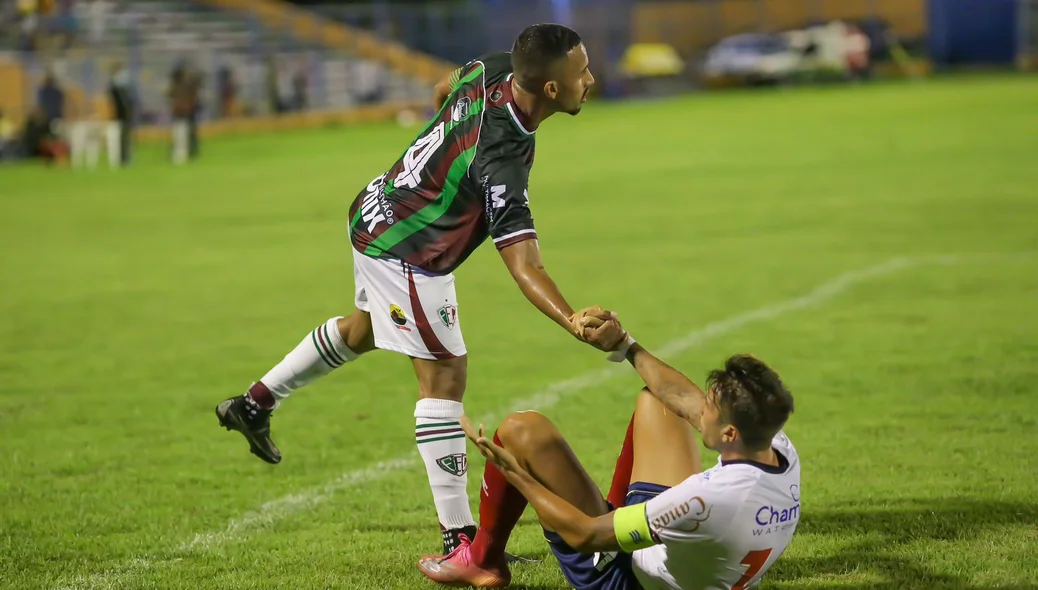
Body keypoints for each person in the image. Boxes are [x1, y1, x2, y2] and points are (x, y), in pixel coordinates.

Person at [214, 23, 612, 556]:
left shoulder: (496, 66)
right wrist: (570, 319)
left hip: (377, 207)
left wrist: (441, 151)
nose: (591, 78)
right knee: (445, 375)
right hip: (407, 250)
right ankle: (460, 540)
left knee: (364, 331)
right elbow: (525, 265)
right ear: (551, 90)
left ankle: (254, 403)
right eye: (581, 71)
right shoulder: (501, 159)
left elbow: (443, 90)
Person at [419, 315, 799, 589]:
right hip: (687, 551)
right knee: (660, 402)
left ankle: (483, 561)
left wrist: (515, 471)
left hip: (623, 577)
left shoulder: (702, 499)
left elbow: (586, 535)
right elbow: (682, 399)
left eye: (710, 409)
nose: (700, 410)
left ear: (730, 432)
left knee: (522, 431)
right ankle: (615, 511)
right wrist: (624, 344)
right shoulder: (778, 451)